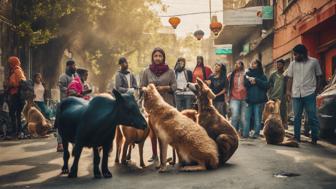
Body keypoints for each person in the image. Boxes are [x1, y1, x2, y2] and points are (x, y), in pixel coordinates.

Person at [141, 47, 177, 163]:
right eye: (155, 56)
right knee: (153, 132)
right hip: (152, 107)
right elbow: (141, 86)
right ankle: (155, 155)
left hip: (167, 105)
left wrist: (164, 88)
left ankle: (172, 156)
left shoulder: (170, 71)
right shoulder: (147, 71)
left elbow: (174, 87)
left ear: (163, 57)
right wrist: (147, 89)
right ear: (152, 57)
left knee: (168, 131)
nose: (157, 58)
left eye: (160, 56)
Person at [286, 44, 322, 144]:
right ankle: (297, 137)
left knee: (312, 116)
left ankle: (315, 137)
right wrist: (288, 91)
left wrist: (317, 88)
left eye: (296, 54)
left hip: (309, 93)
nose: (294, 56)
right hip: (296, 94)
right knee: (296, 117)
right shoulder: (293, 64)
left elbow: (319, 76)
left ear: (302, 54)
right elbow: (290, 78)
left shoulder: (314, 62)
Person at [244, 59, 268, 138]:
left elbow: (266, 86)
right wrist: (251, 81)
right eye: (252, 63)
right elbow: (245, 84)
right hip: (248, 100)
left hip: (259, 100)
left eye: (254, 63)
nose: (252, 64)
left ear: (258, 65)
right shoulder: (247, 74)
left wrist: (256, 80)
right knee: (246, 118)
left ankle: (256, 134)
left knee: (258, 119)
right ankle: (245, 134)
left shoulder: (262, 75)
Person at [57, 59, 76, 152]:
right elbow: (61, 87)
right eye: (73, 66)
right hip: (65, 103)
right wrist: (69, 90)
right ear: (68, 66)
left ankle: (73, 143)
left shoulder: (74, 76)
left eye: (74, 65)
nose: (74, 67)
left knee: (73, 124)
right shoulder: (63, 76)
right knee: (62, 124)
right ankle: (60, 144)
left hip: (73, 103)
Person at [5, 56, 26, 138]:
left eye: (10, 63)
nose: (9, 64)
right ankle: (17, 131)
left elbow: (22, 81)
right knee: (14, 114)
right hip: (14, 94)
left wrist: (12, 84)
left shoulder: (17, 70)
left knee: (14, 113)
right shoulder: (13, 70)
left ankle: (17, 131)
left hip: (17, 95)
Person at [228, 60, 247, 134]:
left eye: (239, 64)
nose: (237, 65)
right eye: (236, 63)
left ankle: (241, 132)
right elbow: (225, 83)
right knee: (235, 116)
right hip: (234, 97)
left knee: (243, 117)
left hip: (244, 97)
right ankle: (233, 132)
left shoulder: (246, 74)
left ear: (242, 65)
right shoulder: (231, 75)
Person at [268, 59, 287, 129]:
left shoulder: (286, 74)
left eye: (280, 64)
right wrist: (269, 95)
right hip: (273, 97)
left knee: (283, 112)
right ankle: (273, 127)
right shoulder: (273, 75)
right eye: (277, 64)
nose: (278, 66)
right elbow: (269, 85)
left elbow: (288, 85)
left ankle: (283, 126)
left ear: (283, 65)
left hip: (282, 96)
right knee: (273, 112)